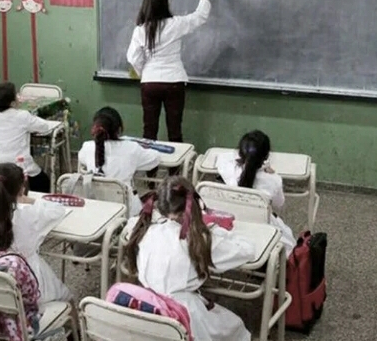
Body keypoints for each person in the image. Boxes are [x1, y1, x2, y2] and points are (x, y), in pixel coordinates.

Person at [124, 176, 254, 341]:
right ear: (193, 205)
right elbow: (247, 250)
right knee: (235, 327)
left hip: (147, 306)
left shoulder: (143, 227)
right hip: (184, 314)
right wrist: (216, 230)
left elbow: (130, 224)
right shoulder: (200, 239)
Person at [0, 163, 73, 304]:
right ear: (22, 189)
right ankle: (74, 324)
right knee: (66, 297)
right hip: (31, 282)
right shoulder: (31, 213)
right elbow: (58, 210)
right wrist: (28, 200)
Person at [127, 0, 211, 145]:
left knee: (149, 131)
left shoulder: (140, 30)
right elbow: (200, 16)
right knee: (175, 130)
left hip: (150, 83)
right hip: (174, 81)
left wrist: (145, 72)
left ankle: (150, 171)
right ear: (166, 5)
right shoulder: (176, 24)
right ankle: (175, 171)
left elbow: (133, 57)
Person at [215, 130, 296, 256]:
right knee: (288, 239)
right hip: (261, 230)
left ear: (240, 153)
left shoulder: (229, 171)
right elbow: (279, 204)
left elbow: (222, 158)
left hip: (232, 227)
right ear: (266, 156)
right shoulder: (272, 180)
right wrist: (272, 173)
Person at [78, 106, 160, 216]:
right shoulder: (131, 148)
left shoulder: (87, 147)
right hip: (127, 212)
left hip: (96, 210)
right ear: (119, 129)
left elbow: (82, 158)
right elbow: (155, 159)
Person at [0, 82, 53, 193]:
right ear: (13, 103)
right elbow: (45, 127)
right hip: (22, 168)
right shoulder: (22, 116)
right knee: (44, 182)